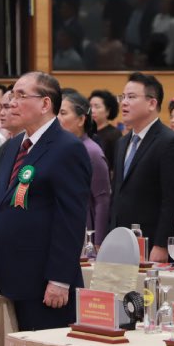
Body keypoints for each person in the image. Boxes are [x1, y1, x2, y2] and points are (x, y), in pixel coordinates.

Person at [0, 72, 91, 330]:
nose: (12, 102)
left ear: (45, 104)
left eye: (21, 96)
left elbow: (71, 218)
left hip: (44, 282)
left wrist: (59, 279)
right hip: (6, 277)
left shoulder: (67, 147)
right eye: (13, 95)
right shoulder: (12, 147)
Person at [108, 72, 174, 262]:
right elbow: (117, 195)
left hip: (151, 243)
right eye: (123, 97)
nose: (124, 103)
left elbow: (173, 199)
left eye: (132, 97)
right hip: (121, 242)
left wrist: (161, 244)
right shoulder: (122, 142)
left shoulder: (170, 142)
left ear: (152, 103)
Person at [57, 90, 110, 247]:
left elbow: (102, 200)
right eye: (56, 113)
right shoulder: (57, 148)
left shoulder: (92, 151)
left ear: (80, 119)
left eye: (63, 113)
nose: (57, 118)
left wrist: (98, 243)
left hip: (82, 231)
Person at [88, 89, 121, 175]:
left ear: (108, 111)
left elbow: (116, 166)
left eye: (97, 107)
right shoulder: (84, 132)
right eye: (90, 106)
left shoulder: (114, 134)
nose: (92, 110)